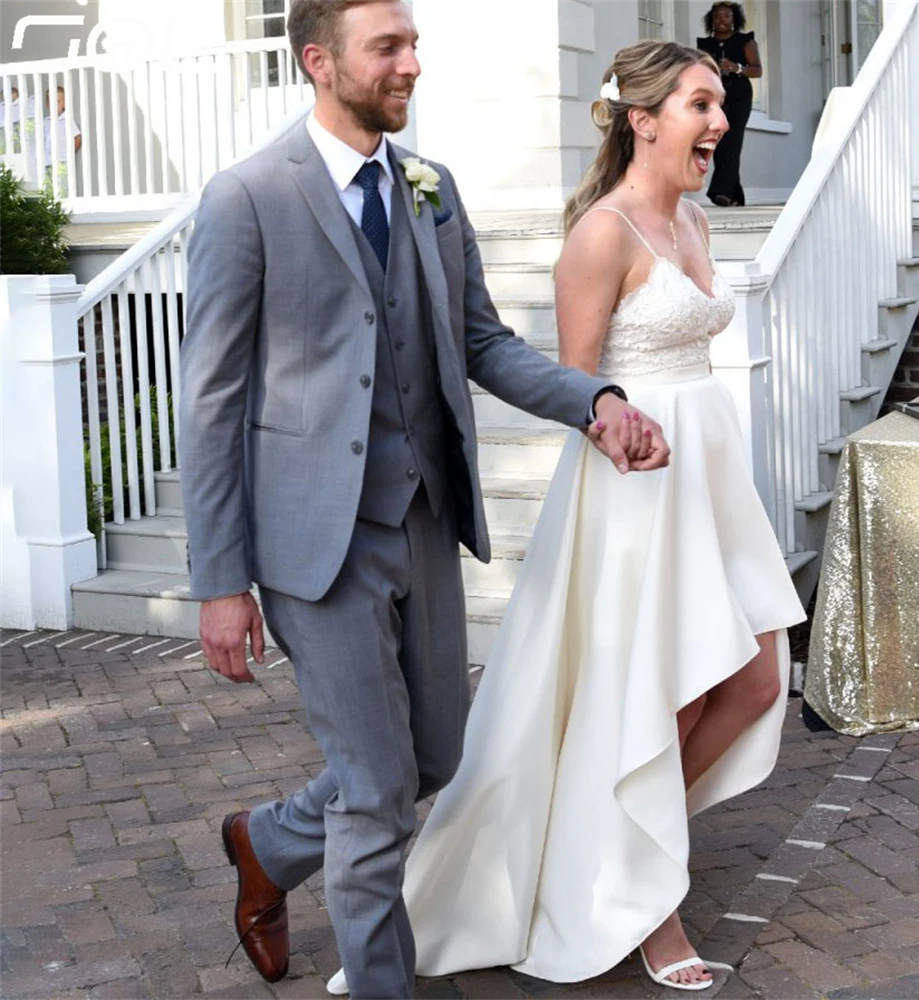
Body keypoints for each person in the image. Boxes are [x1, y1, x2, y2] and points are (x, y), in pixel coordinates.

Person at [178, 2, 671, 998]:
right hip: (315, 545)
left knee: (432, 758)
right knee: (372, 798)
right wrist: (220, 579)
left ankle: (268, 844)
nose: (412, 64)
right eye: (387, 49)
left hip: (424, 518)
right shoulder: (245, 199)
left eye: (412, 44)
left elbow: (480, 340)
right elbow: (212, 399)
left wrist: (595, 402)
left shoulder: (428, 186)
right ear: (320, 62)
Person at [328, 39, 805, 996]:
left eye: (720, 105)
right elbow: (573, 389)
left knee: (756, 680)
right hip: (635, 496)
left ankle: (624, 848)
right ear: (643, 120)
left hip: (709, 482)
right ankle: (646, 903)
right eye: (702, 105)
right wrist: (615, 423)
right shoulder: (603, 234)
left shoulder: (699, 225)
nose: (720, 122)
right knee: (664, 698)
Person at [696, 2, 760, 206]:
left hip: (739, 95)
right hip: (715, 97)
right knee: (720, 142)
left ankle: (720, 192)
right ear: (711, 20)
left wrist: (737, 68)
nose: (721, 20)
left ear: (734, 19)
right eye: (717, 16)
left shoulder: (745, 41)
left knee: (732, 140)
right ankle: (735, 195)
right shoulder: (704, 45)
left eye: (726, 16)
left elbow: (757, 70)